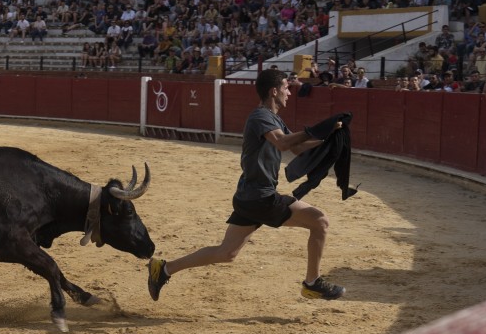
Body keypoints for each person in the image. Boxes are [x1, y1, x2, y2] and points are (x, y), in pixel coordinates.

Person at [146, 68, 346, 303]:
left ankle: (164, 268)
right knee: (320, 221)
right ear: (274, 91)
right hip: (261, 197)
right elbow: (283, 143)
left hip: (249, 197)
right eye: (286, 88)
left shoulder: (273, 118)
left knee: (226, 253)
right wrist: (316, 130)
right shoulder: (260, 116)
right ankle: (312, 283)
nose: (289, 93)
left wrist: (327, 137)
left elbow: (298, 147)